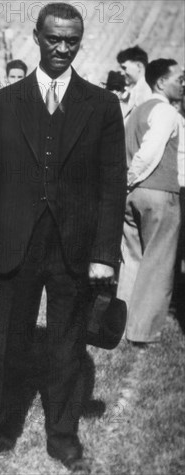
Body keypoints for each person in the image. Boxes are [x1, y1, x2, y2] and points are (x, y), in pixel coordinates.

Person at [0, 3, 126, 471]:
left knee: (67, 346)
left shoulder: (101, 104)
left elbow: (112, 183)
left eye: (72, 40)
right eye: (54, 38)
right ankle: (0, 428)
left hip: (75, 248)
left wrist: (104, 253)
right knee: (8, 344)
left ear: (81, 41)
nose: (62, 48)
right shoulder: (4, 101)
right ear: (36, 37)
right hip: (17, 243)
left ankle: (63, 437)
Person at [116, 59, 183, 347]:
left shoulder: (135, 110)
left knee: (132, 260)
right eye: (178, 79)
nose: (182, 84)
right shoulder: (166, 112)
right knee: (158, 263)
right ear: (160, 83)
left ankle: (120, 325)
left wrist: (126, 184)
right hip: (157, 192)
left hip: (131, 196)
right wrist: (132, 178)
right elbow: (150, 152)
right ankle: (143, 333)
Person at [117, 45, 152, 120]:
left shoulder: (146, 89)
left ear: (139, 66)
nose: (122, 73)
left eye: (124, 68)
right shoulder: (137, 89)